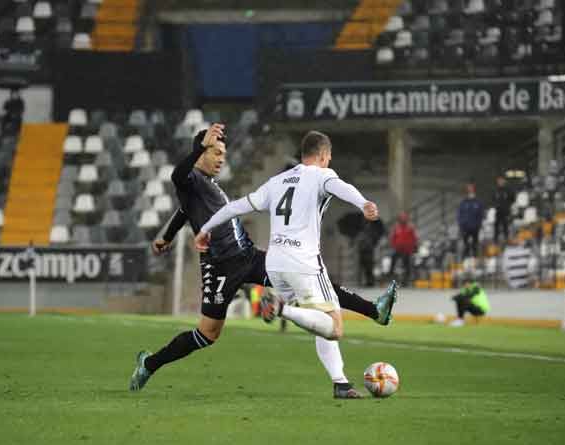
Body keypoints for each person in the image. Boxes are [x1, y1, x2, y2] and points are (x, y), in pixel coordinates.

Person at [133, 125, 397, 399]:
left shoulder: (208, 185)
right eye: (215, 152)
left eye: (223, 152)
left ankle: (369, 318)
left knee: (318, 291)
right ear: (200, 153)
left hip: (248, 256)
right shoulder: (191, 179)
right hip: (218, 265)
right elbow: (177, 176)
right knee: (208, 334)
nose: (222, 158)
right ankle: (149, 364)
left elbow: (185, 209)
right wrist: (200, 148)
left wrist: (168, 235)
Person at [194, 130, 382, 398]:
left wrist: (205, 229)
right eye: (328, 158)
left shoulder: (277, 181)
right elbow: (341, 187)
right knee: (335, 326)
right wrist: (363, 203)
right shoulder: (321, 174)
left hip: (274, 261)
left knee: (320, 316)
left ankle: (340, 383)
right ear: (324, 155)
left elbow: (236, 207)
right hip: (303, 261)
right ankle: (283, 309)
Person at [387, 212, 417, 287]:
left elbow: (414, 238)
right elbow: (392, 237)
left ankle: (405, 281)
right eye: (401, 218)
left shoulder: (410, 227)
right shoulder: (396, 227)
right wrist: (393, 245)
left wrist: (413, 247)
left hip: (407, 249)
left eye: (404, 218)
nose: (403, 220)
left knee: (406, 265)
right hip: (397, 248)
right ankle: (390, 278)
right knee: (392, 262)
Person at [458, 183, 484, 259]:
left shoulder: (477, 202)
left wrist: (478, 225)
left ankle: (475, 259)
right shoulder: (463, 203)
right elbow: (459, 215)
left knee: (475, 245)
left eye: (471, 188)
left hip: (475, 227)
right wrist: (461, 225)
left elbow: (480, 215)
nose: (470, 190)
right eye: (469, 188)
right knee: (465, 245)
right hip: (465, 227)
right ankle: (465, 260)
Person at [357, 219, 385, 287]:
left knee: (369, 266)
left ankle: (370, 281)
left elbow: (375, 238)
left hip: (369, 250)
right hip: (363, 250)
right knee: (364, 266)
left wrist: (372, 244)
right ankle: (367, 281)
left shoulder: (372, 231)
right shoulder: (362, 231)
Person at [492, 176, 513, 244]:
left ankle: (507, 239)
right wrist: (495, 205)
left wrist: (508, 205)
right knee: (496, 226)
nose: (500, 182)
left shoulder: (507, 190)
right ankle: (495, 240)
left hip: (506, 211)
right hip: (498, 211)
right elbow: (493, 199)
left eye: (501, 181)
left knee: (505, 226)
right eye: (499, 181)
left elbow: (512, 198)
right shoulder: (496, 190)